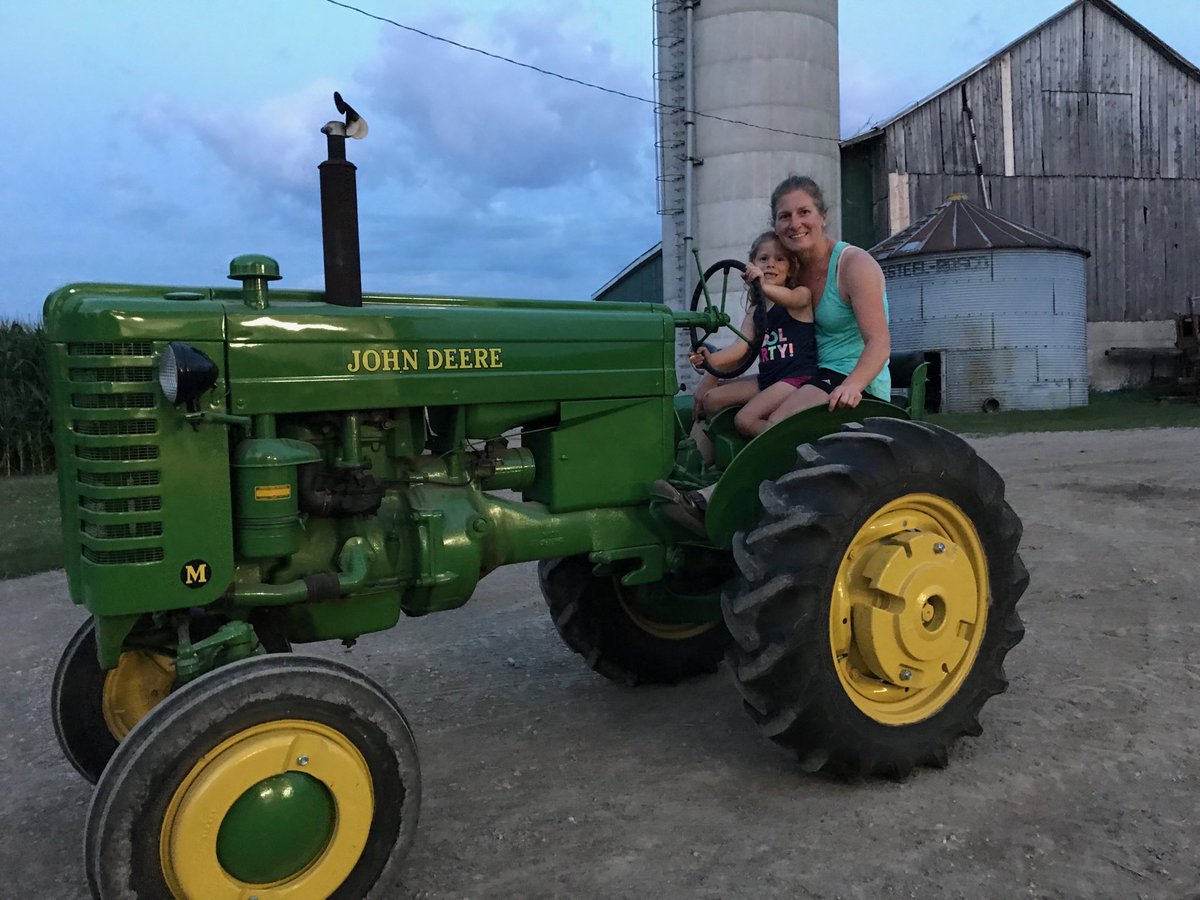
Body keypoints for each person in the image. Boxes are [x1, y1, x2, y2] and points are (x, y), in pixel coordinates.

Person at [762, 174, 891, 416]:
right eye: (784, 216)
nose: (794, 224)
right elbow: (762, 332)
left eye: (804, 212)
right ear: (776, 227)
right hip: (802, 373)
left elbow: (879, 343)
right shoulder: (787, 272)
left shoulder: (853, 264)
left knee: (779, 420)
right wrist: (713, 373)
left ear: (823, 216)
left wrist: (853, 385)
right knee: (717, 405)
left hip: (850, 378)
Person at [688, 231, 817, 437]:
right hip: (768, 378)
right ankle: (704, 460)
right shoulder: (755, 310)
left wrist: (762, 285)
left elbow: (792, 298)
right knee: (711, 399)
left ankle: (790, 444)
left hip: (795, 378)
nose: (770, 264)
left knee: (745, 419)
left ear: (791, 269)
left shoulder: (800, 296)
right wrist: (710, 360)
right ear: (752, 265)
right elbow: (740, 348)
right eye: (763, 259)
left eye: (779, 259)